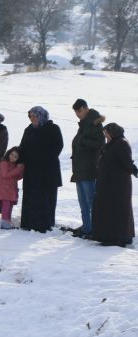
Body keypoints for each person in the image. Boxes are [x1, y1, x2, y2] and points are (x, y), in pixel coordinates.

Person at [19, 106, 63, 233]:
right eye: (30, 116)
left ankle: (44, 225)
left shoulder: (52, 128)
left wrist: (42, 158)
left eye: (35, 116)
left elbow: (58, 146)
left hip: (47, 171)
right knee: (30, 197)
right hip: (31, 171)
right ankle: (28, 223)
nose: (32, 119)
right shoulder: (28, 130)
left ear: (41, 116)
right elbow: (23, 147)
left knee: (45, 198)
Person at [91, 123, 135, 247]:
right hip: (108, 184)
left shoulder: (121, 143)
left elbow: (126, 163)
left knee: (117, 210)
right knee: (107, 210)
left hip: (118, 185)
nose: (106, 137)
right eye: (105, 135)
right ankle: (107, 236)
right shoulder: (112, 144)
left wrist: (134, 169)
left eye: (108, 134)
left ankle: (118, 237)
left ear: (113, 132)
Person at [70, 98, 105, 238]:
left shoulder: (94, 123)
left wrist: (83, 142)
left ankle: (97, 229)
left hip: (89, 168)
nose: (78, 114)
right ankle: (87, 228)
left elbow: (100, 143)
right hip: (79, 169)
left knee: (91, 202)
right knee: (83, 202)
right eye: (76, 112)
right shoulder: (84, 124)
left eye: (79, 111)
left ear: (85, 108)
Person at [0, 147, 25, 229]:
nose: (12, 157)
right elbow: (5, 175)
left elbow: (17, 177)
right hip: (4, 188)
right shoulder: (4, 163)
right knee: (6, 204)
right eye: (12, 154)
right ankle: (4, 221)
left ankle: (7, 221)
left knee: (10, 204)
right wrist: (17, 169)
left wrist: (21, 169)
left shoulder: (15, 165)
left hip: (12, 189)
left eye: (15, 157)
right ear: (8, 153)